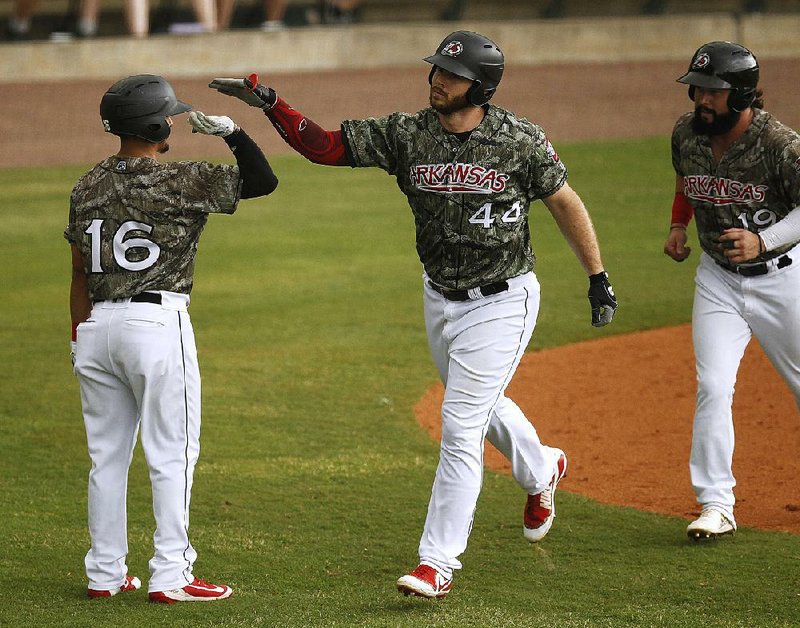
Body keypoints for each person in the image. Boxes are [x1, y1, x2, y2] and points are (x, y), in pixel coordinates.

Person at [209, 30, 617, 597]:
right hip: (439, 299)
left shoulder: (519, 140)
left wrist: (597, 277)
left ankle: (437, 563)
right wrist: (274, 105)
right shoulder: (408, 133)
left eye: (450, 75)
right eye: (436, 72)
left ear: (482, 85)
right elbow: (325, 146)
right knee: (479, 405)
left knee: (460, 425)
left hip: (503, 300)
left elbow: (563, 200)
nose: (437, 81)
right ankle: (542, 469)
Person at [65, 74, 278, 602]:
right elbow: (262, 181)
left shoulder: (85, 185)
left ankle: (105, 574)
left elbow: (77, 271)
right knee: (172, 454)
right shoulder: (180, 179)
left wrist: (78, 338)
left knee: (106, 459)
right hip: (155, 328)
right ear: (156, 125)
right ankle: (172, 574)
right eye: (171, 116)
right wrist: (233, 133)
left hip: (95, 330)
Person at [664, 41, 800, 541]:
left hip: (784, 279)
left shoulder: (781, 145)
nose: (701, 99)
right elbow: (686, 179)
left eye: (714, 92)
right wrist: (678, 226)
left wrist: (763, 239)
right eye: (697, 88)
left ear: (742, 96)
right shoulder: (687, 133)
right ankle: (716, 504)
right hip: (718, 280)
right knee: (713, 386)